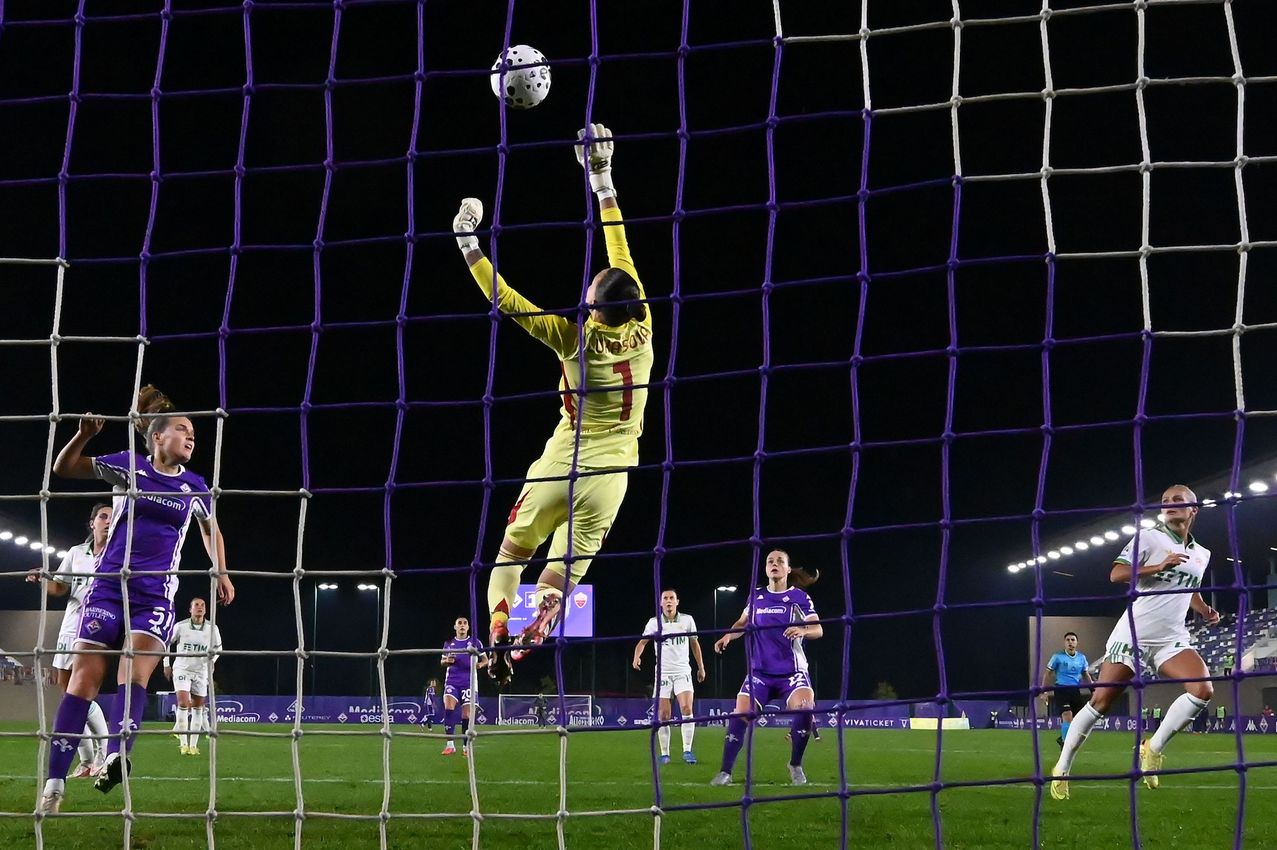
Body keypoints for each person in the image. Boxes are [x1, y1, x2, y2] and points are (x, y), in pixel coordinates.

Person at [452, 123, 654, 687]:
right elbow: (619, 244)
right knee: (557, 583)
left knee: (508, 558)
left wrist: (469, 245)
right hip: (612, 477)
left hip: (562, 464)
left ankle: (497, 633)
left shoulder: (575, 337)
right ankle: (537, 627)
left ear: (595, 308)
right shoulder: (643, 320)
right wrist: (602, 178)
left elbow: (509, 303)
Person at [39, 386, 235, 813]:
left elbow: (209, 529)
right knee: (83, 679)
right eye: (182, 430)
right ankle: (54, 784)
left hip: (155, 595)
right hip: (109, 585)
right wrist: (84, 435)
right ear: (157, 436)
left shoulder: (194, 485)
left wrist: (219, 568)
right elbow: (65, 467)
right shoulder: (128, 468)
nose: (191, 438)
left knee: (135, 672)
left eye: (194, 435)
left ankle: (115, 757)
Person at [1050, 485, 1216, 800]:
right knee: (1100, 703)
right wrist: (1158, 566)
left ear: (1194, 509)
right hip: (1134, 633)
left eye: (1178, 500)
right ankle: (1062, 768)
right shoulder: (1149, 538)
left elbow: (1189, 587)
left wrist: (1205, 610)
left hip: (1171, 638)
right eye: (1166, 501)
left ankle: (1152, 748)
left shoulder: (1202, 553)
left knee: (1202, 690)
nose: (1170, 504)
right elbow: (1116, 574)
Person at [710, 550, 821, 786]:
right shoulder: (756, 596)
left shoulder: (798, 597)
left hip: (792, 672)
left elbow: (817, 628)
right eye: (771, 561)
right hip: (760, 672)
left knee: (805, 708)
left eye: (780, 561)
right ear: (766, 568)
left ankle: (795, 765)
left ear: (788, 569)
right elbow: (742, 623)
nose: (775, 564)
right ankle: (725, 772)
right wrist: (728, 636)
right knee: (740, 714)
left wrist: (803, 630)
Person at [25, 503, 114, 778]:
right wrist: (43, 579)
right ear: (92, 523)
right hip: (69, 628)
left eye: (113, 517)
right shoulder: (77, 553)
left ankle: (104, 753)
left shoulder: (118, 554)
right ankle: (87, 761)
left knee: (81, 693)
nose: (108, 521)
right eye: (103, 516)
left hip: (98, 630)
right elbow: (61, 587)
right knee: (68, 697)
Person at [632, 589, 706, 764]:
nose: (669, 601)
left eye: (671, 598)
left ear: (677, 601)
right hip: (663, 673)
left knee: (687, 709)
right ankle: (665, 754)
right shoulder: (654, 623)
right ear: (661, 603)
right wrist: (637, 656)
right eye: (665, 598)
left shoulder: (687, 620)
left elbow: (695, 644)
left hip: (683, 672)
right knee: (663, 715)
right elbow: (642, 642)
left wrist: (701, 667)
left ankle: (687, 750)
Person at [163, 597, 223, 755]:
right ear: (190, 609)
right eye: (196, 605)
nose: (200, 607)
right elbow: (167, 642)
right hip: (182, 669)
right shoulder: (181, 626)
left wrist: (213, 660)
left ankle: (193, 746)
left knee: (198, 707)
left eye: (202, 605)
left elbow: (218, 647)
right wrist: (166, 663)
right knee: (183, 703)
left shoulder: (212, 628)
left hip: (201, 671)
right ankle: (183, 745)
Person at [440, 617, 486, 755]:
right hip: (452, 680)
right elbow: (442, 662)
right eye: (459, 623)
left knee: (466, 715)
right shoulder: (449, 643)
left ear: (468, 627)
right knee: (449, 707)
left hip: (469, 682)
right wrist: (447, 661)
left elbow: (485, 659)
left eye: (465, 623)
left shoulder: (474, 642)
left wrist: (479, 665)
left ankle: (466, 747)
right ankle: (450, 744)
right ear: (455, 627)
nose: (462, 625)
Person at [1040, 632, 1093, 748]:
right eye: (1068, 640)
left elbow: (1085, 674)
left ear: (1076, 642)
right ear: (1064, 643)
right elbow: (1048, 673)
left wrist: (1093, 690)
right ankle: (1065, 743)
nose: (1070, 642)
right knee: (1067, 715)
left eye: (1073, 640)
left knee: (1078, 719)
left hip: (1075, 691)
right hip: (1061, 689)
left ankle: (1063, 738)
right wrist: (1044, 691)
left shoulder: (1081, 658)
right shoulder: (1057, 657)